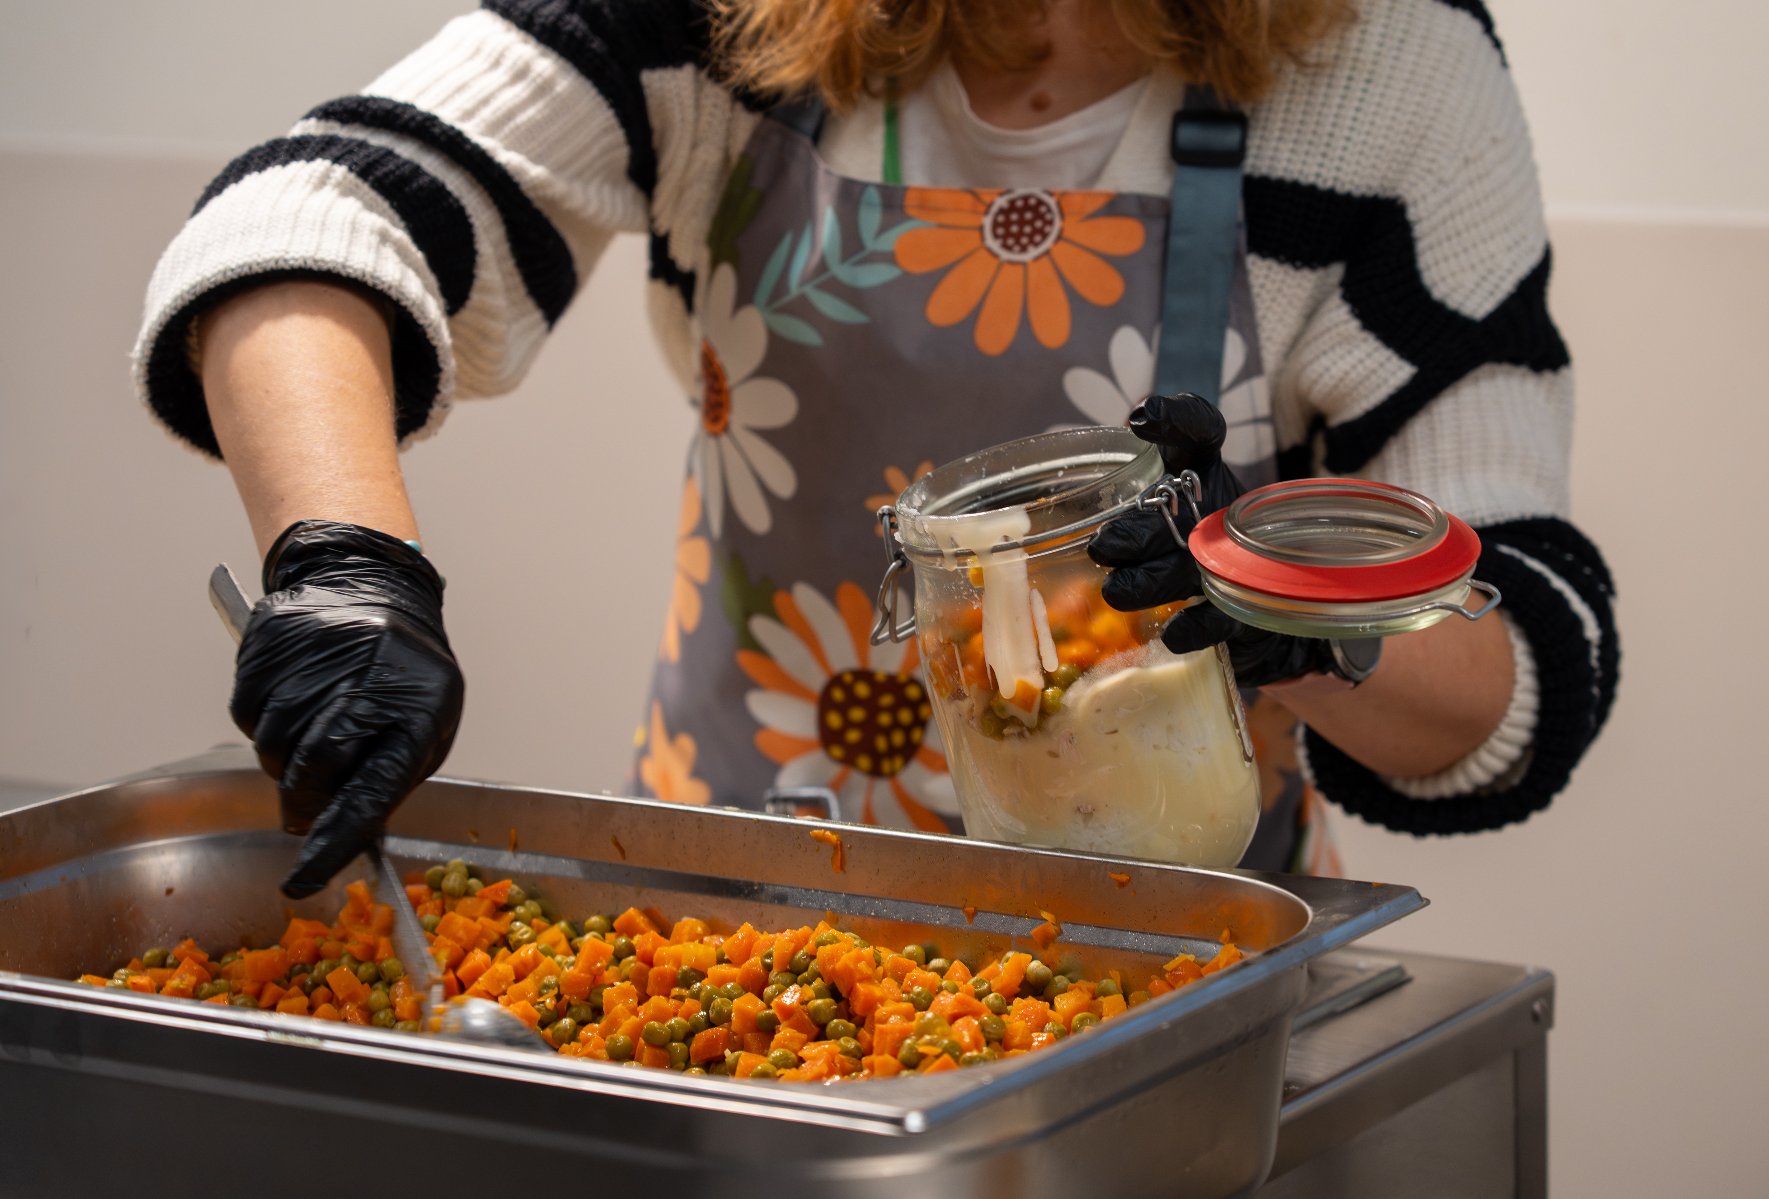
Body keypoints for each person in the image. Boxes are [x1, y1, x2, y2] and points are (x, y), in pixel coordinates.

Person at [132, 0, 1617, 898]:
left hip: (1181, 976)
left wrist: (1285, 616)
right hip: (739, 922)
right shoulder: (719, 28)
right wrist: (342, 560)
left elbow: (1525, 658)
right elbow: (316, 215)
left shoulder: (1389, 59)